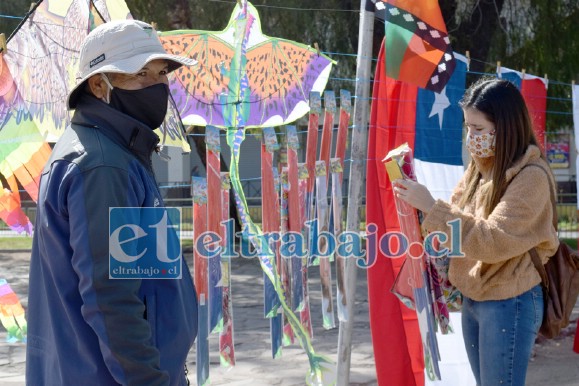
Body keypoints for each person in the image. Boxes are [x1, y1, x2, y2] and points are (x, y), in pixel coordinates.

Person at [26, 20, 198, 385]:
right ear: (98, 84)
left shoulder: (115, 151)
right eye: (139, 74)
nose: (156, 84)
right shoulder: (102, 164)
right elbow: (110, 297)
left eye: (161, 72)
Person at [393, 78, 559, 386]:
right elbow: (457, 222)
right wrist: (418, 208)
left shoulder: (532, 178)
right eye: (468, 127)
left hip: (510, 301)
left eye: (479, 129)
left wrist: (431, 207)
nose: (471, 137)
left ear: (506, 127)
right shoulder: (481, 168)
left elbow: (492, 241)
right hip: (475, 296)